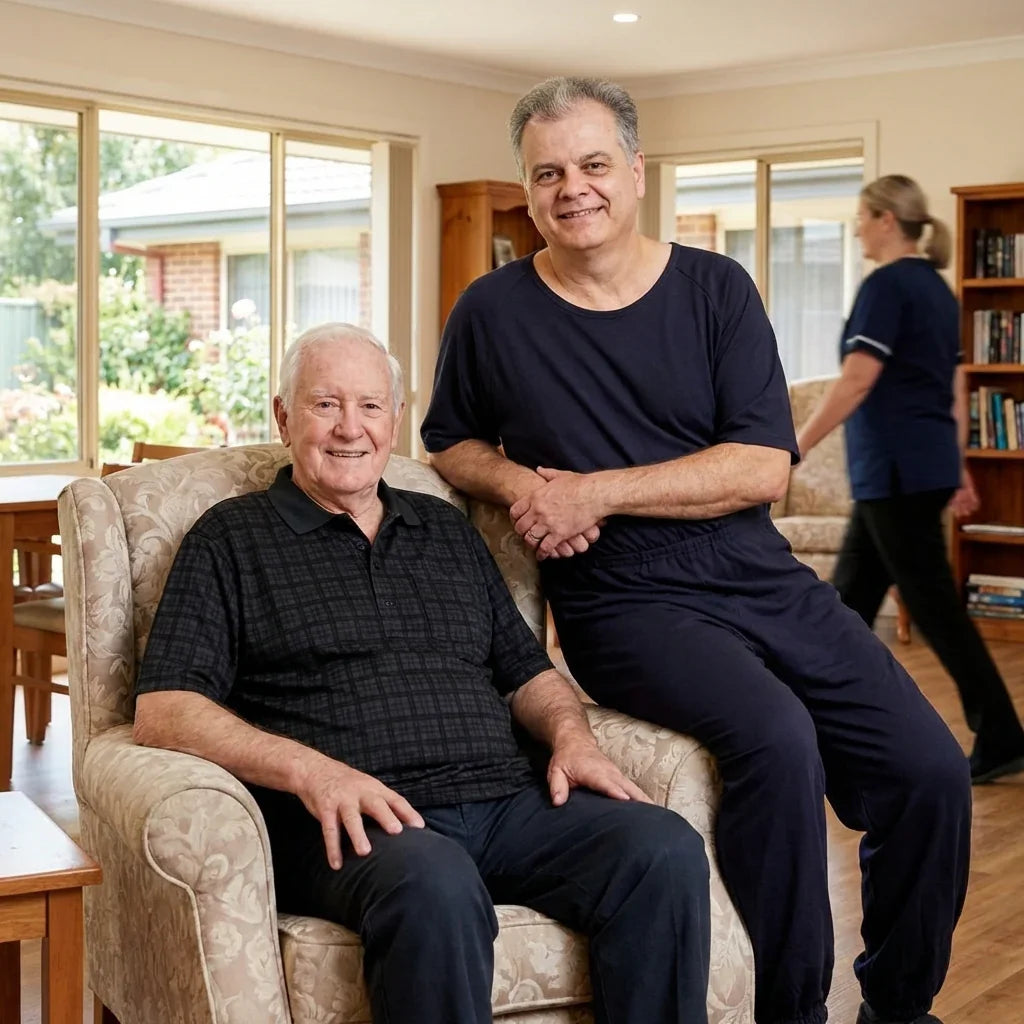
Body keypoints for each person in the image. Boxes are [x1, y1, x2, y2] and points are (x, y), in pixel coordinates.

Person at [421, 77, 970, 1024]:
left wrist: (594, 490)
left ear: (635, 173)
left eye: (594, 165)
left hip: (757, 574)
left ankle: (899, 1004)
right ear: (527, 189)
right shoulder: (492, 311)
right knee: (777, 739)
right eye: (547, 173)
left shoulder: (716, 289)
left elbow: (762, 469)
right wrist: (525, 489)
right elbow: (450, 442)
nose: (573, 189)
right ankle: (789, 1010)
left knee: (929, 771)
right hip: (620, 602)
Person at [132, 322, 712, 1024]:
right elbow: (164, 708)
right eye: (325, 405)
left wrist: (573, 738)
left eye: (371, 407)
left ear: (396, 420)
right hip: (357, 822)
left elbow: (528, 672)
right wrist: (314, 773)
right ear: (284, 416)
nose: (351, 428)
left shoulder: (445, 530)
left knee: (661, 848)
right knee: (435, 883)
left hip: (505, 802)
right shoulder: (231, 539)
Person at [795, 174, 1024, 785]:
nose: (857, 227)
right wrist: (958, 468)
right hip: (911, 472)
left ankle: (1000, 730)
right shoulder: (936, 290)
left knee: (931, 609)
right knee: (846, 605)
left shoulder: (887, 286)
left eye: (862, 217)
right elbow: (954, 392)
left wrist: (795, 445)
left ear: (887, 221)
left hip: (894, 473)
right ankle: (821, 731)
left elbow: (856, 381)